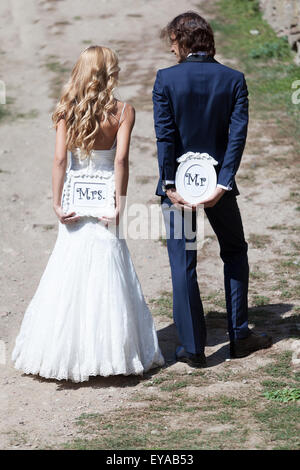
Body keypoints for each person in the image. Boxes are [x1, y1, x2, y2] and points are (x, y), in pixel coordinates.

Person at [12, 46, 164, 382]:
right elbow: (121, 160)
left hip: (76, 195)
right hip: (105, 194)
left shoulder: (66, 108)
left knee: (68, 266)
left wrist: (56, 203)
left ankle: (62, 350)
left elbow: (59, 161)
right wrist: (119, 203)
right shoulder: (123, 111)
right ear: (110, 73)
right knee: (110, 263)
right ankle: (111, 351)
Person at [152, 12, 272, 368]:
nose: (171, 49)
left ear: (182, 40)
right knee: (234, 250)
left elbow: (166, 136)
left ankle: (192, 348)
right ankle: (239, 334)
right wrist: (223, 181)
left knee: (182, 260)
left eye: (172, 42)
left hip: (179, 188)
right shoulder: (233, 79)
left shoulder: (166, 80)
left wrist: (170, 183)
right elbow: (237, 136)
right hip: (219, 185)